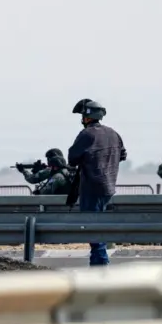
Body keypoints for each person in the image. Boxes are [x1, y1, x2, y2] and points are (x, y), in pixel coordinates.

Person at [68, 98, 126, 266]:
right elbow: (122, 155)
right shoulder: (113, 133)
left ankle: (101, 265)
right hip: (108, 187)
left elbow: (72, 158)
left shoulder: (87, 134)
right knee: (97, 227)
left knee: (92, 228)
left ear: (87, 117)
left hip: (91, 187)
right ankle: (97, 264)